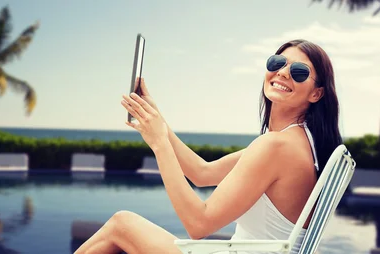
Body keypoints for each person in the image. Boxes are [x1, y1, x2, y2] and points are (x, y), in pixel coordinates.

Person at [74, 39, 343, 254]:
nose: (283, 72)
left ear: (316, 93)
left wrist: (159, 143)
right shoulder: (296, 141)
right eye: (278, 62)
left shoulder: (276, 146)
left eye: (299, 72)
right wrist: (158, 122)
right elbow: (202, 173)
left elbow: (198, 224)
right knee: (122, 227)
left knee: (122, 225)